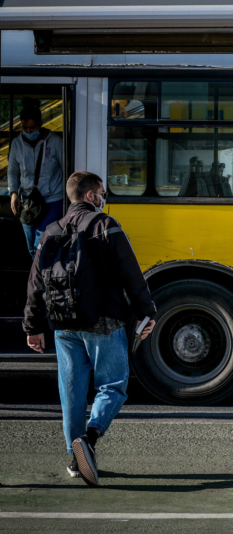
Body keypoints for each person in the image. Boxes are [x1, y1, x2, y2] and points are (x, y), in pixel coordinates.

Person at [23, 171, 157, 487]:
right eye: (101, 192)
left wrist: (33, 325)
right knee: (113, 385)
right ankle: (91, 438)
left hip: (63, 325)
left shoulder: (49, 231)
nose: (103, 197)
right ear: (90, 196)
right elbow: (131, 273)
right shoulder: (105, 225)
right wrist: (146, 312)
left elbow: (35, 282)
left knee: (71, 394)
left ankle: (74, 459)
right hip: (103, 320)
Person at [8, 103, 65, 258]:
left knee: (42, 244)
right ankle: (39, 278)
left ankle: (42, 281)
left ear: (40, 124)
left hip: (52, 199)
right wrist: (13, 193)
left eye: (32, 128)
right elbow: (12, 171)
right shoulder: (16, 144)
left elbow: (66, 169)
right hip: (28, 202)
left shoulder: (55, 142)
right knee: (32, 247)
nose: (28, 132)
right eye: (25, 128)